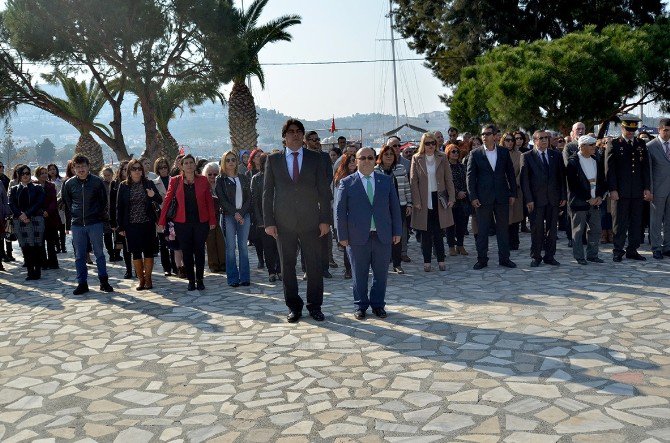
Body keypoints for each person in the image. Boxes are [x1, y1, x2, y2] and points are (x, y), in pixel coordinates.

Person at [263, 118, 331, 323]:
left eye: (298, 131)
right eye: (290, 131)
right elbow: (267, 192)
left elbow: (324, 192)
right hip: (283, 223)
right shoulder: (273, 160)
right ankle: (293, 306)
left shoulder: (315, 158)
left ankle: (315, 306)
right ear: (284, 137)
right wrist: (269, 222)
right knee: (288, 266)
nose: (295, 134)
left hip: (311, 221)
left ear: (303, 135)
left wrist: (325, 219)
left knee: (314, 266)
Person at [337, 147, 402, 320]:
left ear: (375, 160)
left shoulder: (386, 180)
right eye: (362, 158)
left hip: (382, 236)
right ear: (356, 161)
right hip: (357, 237)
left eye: (370, 158)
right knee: (359, 274)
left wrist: (397, 231)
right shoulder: (346, 182)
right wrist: (342, 235)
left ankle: (378, 305)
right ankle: (360, 305)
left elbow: (395, 208)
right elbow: (340, 211)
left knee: (381, 274)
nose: (366, 161)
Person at [158, 154, 216, 290]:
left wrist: (212, 220)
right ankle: (191, 280)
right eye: (186, 163)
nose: (189, 165)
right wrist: (161, 220)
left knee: (200, 251)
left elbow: (209, 201)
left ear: (195, 165)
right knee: (186, 251)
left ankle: (200, 279)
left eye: (191, 163)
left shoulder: (202, 180)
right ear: (181, 166)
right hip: (182, 222)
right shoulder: (175, 181)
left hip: (201, 222)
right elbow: (167, 201)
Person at [466, 124, 518, 269]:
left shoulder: (503, 152)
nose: (484, 136)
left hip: (502, 196)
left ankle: (504, 258)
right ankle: (482, 259)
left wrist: (513, 193)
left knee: (503, 229)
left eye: (487, 134)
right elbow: (470, 178)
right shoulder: (475, 154)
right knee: (482, 230)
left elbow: (510, 174)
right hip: (483, 198)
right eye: (483, 134)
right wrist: (473, 197)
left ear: (495, 136)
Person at [62, 155, 114, 294]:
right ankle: (82, 283)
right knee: (79, 255)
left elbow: (103, 202)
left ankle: (104, 282)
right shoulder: (69, 184)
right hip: (77, 224)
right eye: (77, 167)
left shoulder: (97, 182)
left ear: (88, 166)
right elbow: (68, 204)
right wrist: (69, 224)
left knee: (99, 253)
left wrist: (99, 216)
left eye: (83, 166)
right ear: (73, 168)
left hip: (94, 223)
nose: (81, 169)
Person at [606, 116, 652, 262]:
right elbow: (609, 170)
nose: (631, 132)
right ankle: (618, 250)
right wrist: (612, 189)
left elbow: (645, 168)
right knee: (619, 222)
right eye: (628, 129)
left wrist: (647, 187)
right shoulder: (614, 144)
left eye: (633, 130)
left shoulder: (640, 144)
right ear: (622, 128)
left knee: (636, 221)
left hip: (637, 190)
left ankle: (632, 249)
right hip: (620, 191)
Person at [520, 130, 567, 267]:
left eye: (546, 138)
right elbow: (525, 181)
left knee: (552, 230)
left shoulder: (556, 155)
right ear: (534, 140)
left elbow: (561, 178)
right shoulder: (527, 156)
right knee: (537, 229)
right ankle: (536, 256)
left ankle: (549, 256)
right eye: (541, 138)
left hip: (553, 199)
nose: (545, 140)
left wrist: (563, 196)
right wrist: (529, 199)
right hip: (536, 200)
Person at [410, 132, 455, 272]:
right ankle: (427, 261)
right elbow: (413, 181)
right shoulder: (416, 158)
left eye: (433, 143)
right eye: (428, 143)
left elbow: (449, 178)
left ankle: (441, 260)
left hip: (439, 197)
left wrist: (452, 197)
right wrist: (416, 200)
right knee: (425, 232)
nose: (430, 146)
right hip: (423, 199)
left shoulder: (442, 157)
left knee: (439, 231)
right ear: (423, 144)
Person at [116, 159, 163, 290]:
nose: (137, 171)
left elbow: (159, 200)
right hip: (131, 225)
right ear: (129, 171)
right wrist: (120, 226)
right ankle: (141, 280)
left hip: (147, 223)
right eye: (134, 168)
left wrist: (153, 195)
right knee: (135, 253)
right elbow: (119, 207)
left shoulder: (148, 183)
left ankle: (148, 278)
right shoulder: (123, 186)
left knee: (148, 252)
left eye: (139, 168)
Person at [566, 135, 607, 265]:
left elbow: (602, 181)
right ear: (582, 146)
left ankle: (592, 255)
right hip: (579, 203)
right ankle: (579, 256)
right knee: (578, 231)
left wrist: (600, 196)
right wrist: (588, 198)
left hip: (595, 202)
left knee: (596, 229)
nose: (594, 147)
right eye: (591, 145)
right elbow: (573, 185)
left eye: (594, 145)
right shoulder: (573, 162)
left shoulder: (596, 160)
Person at [216, 151, 252, 287]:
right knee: (230, 247)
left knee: (243, 246)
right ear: (224, 163)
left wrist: (241, 213)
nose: (231, 162)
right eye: (228, 160)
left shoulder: (243, 178)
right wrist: (235, 214)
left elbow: (249, 198)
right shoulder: (221, 180)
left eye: (233, 160)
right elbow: (222, 200)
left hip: (244, 215)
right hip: (228, 216)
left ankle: (245, 278)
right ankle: (232, 279)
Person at [375, 143, 411, 273]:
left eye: (391, 154)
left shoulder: (401, 168)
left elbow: (407, 187)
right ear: (381, 156)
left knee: (397, 235)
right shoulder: (375, 171)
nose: (389, 156)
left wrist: (409, 204)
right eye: (386, 154)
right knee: (383, 236)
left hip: (399, 206)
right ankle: (383, 263)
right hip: (382, 209)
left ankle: (397, 263)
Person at [304, 130, 335, 276]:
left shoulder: (324, 156)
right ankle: (307, 269)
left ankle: (324, 267)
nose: (317, 141)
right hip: (307, 201)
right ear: (306, 141)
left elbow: (329, 175)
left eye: (318, 139)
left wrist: (320, 190)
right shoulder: (302, 157)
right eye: (313, 139)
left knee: (324, 234)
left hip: (322, 199)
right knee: (305, 235)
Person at [8, 165, 45, 280]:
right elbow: (11, 204)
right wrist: (21, 215)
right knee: (25, 246)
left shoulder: (38, 188)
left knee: (37, 246)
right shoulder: (14, 189)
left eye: (27, 173)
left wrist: (27, 214)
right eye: (23, 173)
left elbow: (39, 203)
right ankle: (29, 272)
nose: (25, 175)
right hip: (20, 221)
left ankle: (37, 271)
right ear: (18, 175)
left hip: (36, 220)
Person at [250, 153, 280, 282]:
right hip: (264, 219)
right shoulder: (256, 179)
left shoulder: (279, 177)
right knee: (268, 247)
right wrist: (260, 220)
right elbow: (254, 201)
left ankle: (280, 270)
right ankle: (271, 272)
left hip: (280, 217)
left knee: (279, 247)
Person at [646, 118, 670, 259]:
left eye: (669, 131)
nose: (667, 133)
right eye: (665, 130)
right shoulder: (650, 146)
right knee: (656, 220)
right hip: (657, 189)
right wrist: (649, 189)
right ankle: (656, 247)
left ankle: (667, 246)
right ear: (659, 129)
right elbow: (648, 171)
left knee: (669, 219)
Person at [333, 152, 357, 279]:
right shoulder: (340, 180)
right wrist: (338, 223)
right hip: (347, 218)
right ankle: (348, 269)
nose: (353, 162)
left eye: (354, 160)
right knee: (347, 245)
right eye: (350, 160)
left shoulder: (362, 176)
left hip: (360, 217)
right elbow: (337, 202)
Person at [109, 160, 132, 277]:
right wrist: (113, 222)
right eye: (124, 169)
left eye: (129, 169)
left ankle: (139, 268)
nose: (127, 171)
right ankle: (129, 269)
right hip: (122, 220)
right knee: (125, 246)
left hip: (135, 219)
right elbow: (112, 205)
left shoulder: (136, 182)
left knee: (136, 247)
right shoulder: (115, 184)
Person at [445, 144, 469, 256]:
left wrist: (464, 193)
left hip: (463, 200)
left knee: (462, 224)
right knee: (450, 224)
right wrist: (456, 193)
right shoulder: (445, 167)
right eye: (453, 151)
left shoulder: (462, 166)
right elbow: (446, 184)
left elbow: (467, 181)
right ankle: (451, 246)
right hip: (450, 200)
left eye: (457, 152)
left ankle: (460, 245)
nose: (455, 153)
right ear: (448, 153)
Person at [203, 162, 226, 273]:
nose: (212, 177)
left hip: (221, 216)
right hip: (208, 217)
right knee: (210, 241)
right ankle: (213, 264)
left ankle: (223, 263)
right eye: (210, 174)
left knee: (221, 241)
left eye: (215, 174)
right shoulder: (203, 186)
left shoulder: (221, 185)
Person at [153, 157, 174, 276]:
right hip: (160, 215)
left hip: (173, 215)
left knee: (174, 240)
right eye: (161, 168)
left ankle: (176, 266)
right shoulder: (154, 183)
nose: (163, 169)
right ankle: (167, 267)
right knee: (163, 243)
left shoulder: (174, 180)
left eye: (165, 167)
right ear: (157, 169)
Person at [35, 166, 59, 270]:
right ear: (37, 175)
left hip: (50, 217)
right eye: (42, 173)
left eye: (45, 173)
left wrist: (48, 211)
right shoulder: (33, 186)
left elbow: (54, 201)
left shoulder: (51, 186)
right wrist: (41, 211)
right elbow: (33, 202)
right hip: (38, 217)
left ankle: (53, 262)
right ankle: (43, 262)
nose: (44, 175)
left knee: (51, 241)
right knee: (40, 242)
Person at [47, 164, 67, 254]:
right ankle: (57, 247)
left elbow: (63, 194)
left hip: (60, 207)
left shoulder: (62, 181)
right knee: (54, 228)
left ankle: (63, 246)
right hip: (51, 208)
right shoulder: (46, 182)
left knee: (62, 228)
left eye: (54, 169)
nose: (52, 171)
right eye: (50, 169)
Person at [99, 166, 117, 262]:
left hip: (116, 214)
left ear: (112, 175)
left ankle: (117, 253)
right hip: (105, 214)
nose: (107, 177)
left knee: (117, 236)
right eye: (105, 175)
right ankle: (111, 254)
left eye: (108, 175)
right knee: (107, 235)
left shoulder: (116, 184)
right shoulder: (101, 185)